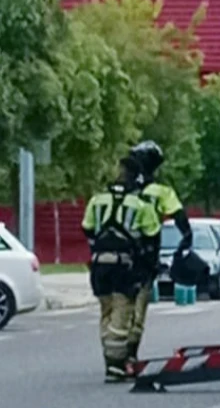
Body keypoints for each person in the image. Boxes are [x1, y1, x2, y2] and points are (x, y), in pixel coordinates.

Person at [82, 156, 161, 382]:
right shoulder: (141, 205)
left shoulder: (97, 201)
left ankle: (111, 359)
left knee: (106, 312)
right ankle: (116, 366)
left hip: (99, 266)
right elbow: (151, 237)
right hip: (125, 267)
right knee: (122, 313)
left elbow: (87, 229)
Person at [126, 140, 192, 366]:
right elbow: (182, 222)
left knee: (115, 308)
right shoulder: (162, 192)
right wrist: (183, 247)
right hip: (145, 257)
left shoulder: (118, 190)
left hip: (117, 256)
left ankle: (114, 354)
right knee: (137, 309)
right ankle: (130, 354)